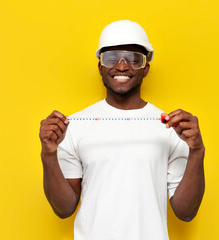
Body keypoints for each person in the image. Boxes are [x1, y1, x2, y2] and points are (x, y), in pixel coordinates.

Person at [39, 20, 205, 240]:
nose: (122, 66)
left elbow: (186, 212)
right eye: (111, 59)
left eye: (134, 59)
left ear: (145, 68)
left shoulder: (171, 128)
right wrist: (48, 154)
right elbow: (64, 209)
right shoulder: (74, 126)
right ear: (100, 66)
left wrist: (197, 151)